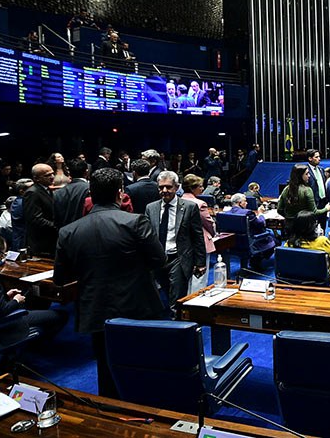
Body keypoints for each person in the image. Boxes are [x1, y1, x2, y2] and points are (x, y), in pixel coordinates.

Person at [54, 168, 165, 398]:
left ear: (91, 194)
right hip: (138, 307)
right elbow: (159, 260)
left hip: (96, 309)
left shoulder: (68, 232)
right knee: (143, 367)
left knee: (106, 370)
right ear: (120, 193)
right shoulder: (136, 222)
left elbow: (60, 279)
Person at [145, 171, 206, 309]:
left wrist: (200, 262)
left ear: (177, 187)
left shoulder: (189, 207)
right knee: (166, 293)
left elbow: (197, 236)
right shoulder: (151, 208)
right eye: (161, 187)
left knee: (177, 298)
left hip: (179, 257)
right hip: (158, 259)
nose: (164, 191)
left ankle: (179, 325)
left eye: (168, 187)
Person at [287, 210, 330, 287]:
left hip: (299, 284)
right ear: (313, 226)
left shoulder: (288, 244)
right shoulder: (322, 241)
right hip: (326, 285)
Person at [180, 174, 217, 294]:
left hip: (182, 242)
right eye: (200, 186)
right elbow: (208, 224)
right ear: (192, 188)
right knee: (199, 277)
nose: (202, 189)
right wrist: (213, 233)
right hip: (199, 243)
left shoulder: (178, 200)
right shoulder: (200, 204)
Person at [224, 193, 276, 270]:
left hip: (233, 243)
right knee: (274, 239)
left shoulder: (226, 213)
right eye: (245, 201)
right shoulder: (248, 213)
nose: (247, 203)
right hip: (249, 242)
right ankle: (256, 260)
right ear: (239, 203)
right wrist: (260, 213)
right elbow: (260, 224)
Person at [277, 164, 330, 234]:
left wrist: (289, 217)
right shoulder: (307, 190)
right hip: (305, 228)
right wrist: (327, 209)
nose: (309, 176)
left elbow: (279, 210)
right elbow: (314, 212)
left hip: (289, 226)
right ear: (300, 176)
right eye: (306, 174)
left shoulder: (286, 189)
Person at [23, 163, 58, 257]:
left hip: (50, 239)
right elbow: (35, 219)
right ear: (36, 178)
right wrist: (56, 226)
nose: (52, 177)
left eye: (52, 173)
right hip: (41, 241)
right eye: (47, 175)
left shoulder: (48, 189)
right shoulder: (32, 193)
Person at [52, 157, 89, 229]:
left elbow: (56, 220)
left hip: (64, 233)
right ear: (86, 172)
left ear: (69, 173)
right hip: (86, 231)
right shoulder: (91, 189)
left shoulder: (57, 193)